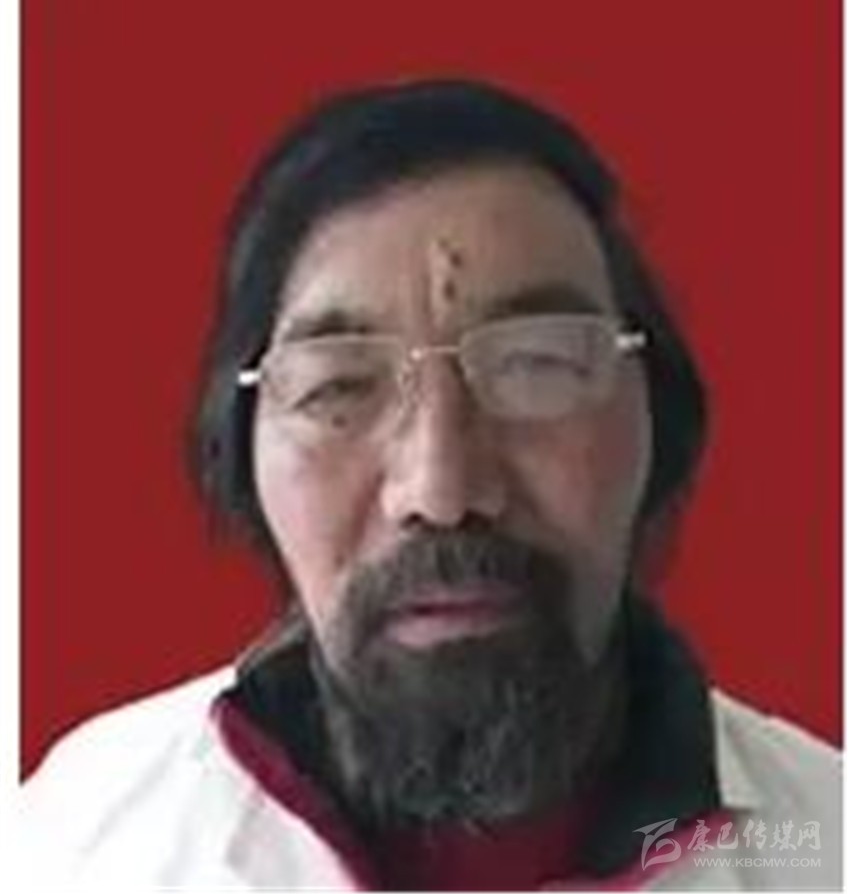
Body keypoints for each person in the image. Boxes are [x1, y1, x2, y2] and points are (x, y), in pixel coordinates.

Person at [18, 79, 840, 891]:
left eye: (537, 365)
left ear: (656, 421)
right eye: (339, 386)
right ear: (244, 451)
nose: (441, 490)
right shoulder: (75, 844)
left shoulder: (824, 840)